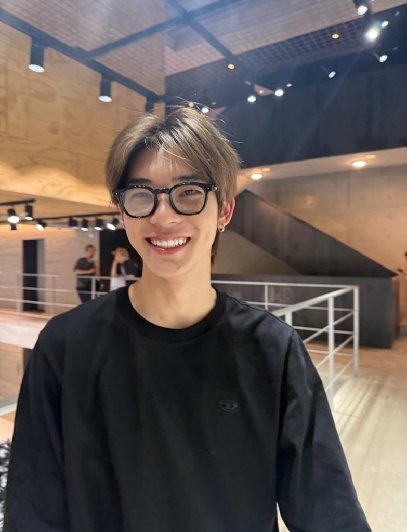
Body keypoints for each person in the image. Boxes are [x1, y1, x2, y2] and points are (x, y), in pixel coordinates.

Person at [4, 108, 371, 531]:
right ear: (122, 213)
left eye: (189, 192)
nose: (163, 216)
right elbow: (33, 512)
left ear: (224, 210)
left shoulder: (272, 350)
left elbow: (328, 510)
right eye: (141, 194)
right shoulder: (66, 346)